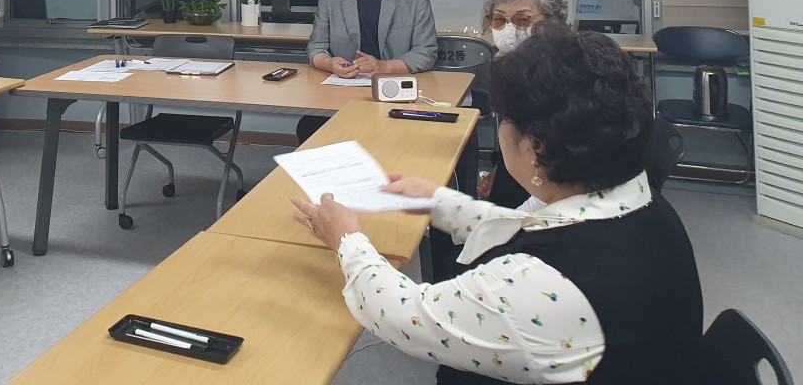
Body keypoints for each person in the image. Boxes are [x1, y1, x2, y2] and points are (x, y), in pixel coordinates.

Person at [291, 26, 705, 385]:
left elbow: (403, 315)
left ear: (535, 147)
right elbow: (527, 224)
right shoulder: (628, 197)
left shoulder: (540, 287)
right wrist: (438, 202)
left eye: (502, 118)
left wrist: (347, 239)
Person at [300, 0, 437, 141]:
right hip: (343, 91)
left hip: (394, 91)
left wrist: (385, 67)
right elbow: (315, 47)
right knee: (308, 127)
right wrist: (330, 63)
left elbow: (426, 51)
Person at [476, 0, 569, 207]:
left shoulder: (563, 73)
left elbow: (565, 171)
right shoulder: (506, 65)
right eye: (499, 19)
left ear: (551, 20)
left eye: (522, 19)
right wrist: (501, 169)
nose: (509, 29)